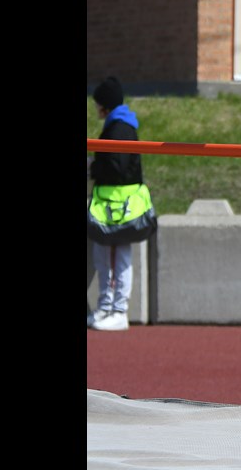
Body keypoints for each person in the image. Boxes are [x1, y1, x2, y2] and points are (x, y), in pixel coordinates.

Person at [87, 76, 145, 331]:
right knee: (105, 256)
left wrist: (93, 168)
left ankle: (118, 310)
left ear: (105, 106)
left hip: (118, 205)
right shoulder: (118, 124)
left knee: (117, 257)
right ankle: (105, 307)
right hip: (111, 203)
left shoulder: (119, 128)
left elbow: (115, 166)